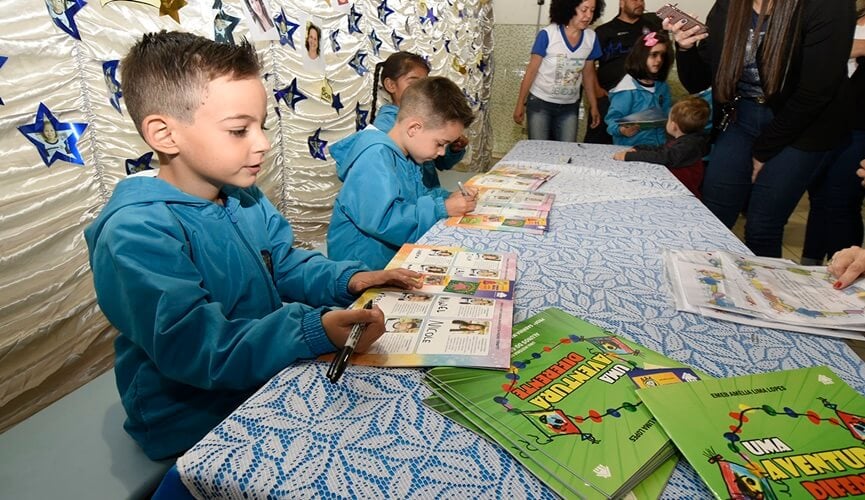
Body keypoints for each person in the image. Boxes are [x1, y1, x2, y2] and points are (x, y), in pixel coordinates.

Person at [83, 31, 421, 460]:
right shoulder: (136, 232)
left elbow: (283, 264)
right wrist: (309, 329)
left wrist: (351, 277)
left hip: (263, 371)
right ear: (165, 135)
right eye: (239, 129)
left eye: (261, 125)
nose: (262, 143)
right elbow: (194, 345)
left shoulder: (244, 196)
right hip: (191, 418)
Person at [666, 0, 856, 258]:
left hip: (804, 126)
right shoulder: (729, 6)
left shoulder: (828, 6)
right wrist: (685, 47)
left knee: (762, 224)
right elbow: (697, 81)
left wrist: (763, 151)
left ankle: (763, 295)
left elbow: (816, 91)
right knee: (713, 212)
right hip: (741, 117)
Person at [327, 77, 477, 269]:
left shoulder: (409, 155)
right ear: (414, 128)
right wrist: (443, 208)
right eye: (440, 143)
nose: (441, 152)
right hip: (363, 271)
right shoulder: (374, 158)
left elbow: (420, 197)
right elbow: (385, 221)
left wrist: (450, 198)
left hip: (393, 260)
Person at [801, 4, 865, 265]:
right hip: (825, 121)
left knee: (842, 200)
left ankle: (845, 269)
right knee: (818, 197)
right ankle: (811, 263)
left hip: (860, 127)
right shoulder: (847, 14)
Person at [370, 52, 468, 192]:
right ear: (391, 85)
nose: (422, 89)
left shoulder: (425, 118)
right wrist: (441, 205)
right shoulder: (385, 128)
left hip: (425, 200)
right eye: (415, 82)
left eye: (425, 83)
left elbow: (439, 161)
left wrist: (452, 149)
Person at [512, 0, 604, 142]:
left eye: (592, 10)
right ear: (569, 9)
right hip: (540, 104)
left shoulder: (591, 38)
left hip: (569, 107)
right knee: (538, 151)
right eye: (584, 10)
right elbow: (531, 71)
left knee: (565, 153)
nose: (588, 16)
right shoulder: (548, 34)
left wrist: (593, 105)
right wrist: (519, 104)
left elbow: (588, 75)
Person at [584, 0, 662, 144]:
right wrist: (597, 90)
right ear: (622, 3)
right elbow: (589, 65)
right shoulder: (604, 31)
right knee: (597, 144)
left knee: (637, 147)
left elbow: (661, 59)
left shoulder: (652, 29)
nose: (639, 3)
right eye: (634, 0)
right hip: (608, 99)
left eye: (641, 0)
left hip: (641, 101)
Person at [612, 96, 710, 197]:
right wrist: (639, 148)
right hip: (675, 189)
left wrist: (629, 156)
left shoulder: (688, 146)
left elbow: (664, 157)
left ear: (673, 125)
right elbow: (662, 149)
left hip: (683, 194)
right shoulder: (687, 140)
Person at [605, 31, 673, 147]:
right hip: (631, 149)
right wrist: (622, 130)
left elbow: (666, 115)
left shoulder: (662, 86)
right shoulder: (626, 89)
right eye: (654, 55)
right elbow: (612, 121)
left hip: (659, 147)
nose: (659, 60)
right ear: (642, 55)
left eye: (662, 55)